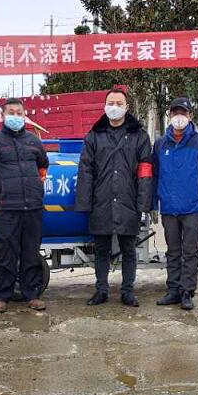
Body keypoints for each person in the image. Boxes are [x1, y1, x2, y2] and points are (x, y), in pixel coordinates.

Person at [76, 87, 153, 307]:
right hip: (101, 201)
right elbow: (85, 170)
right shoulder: (94, 135)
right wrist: (85, 203)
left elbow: (145, 171)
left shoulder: (139, 136)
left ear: (127, 107)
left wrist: (143, 204)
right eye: (111, 103)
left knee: (129, 249)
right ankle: (101, 290)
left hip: (128, 201)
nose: (115, 107)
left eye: (119, 103)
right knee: (101, 249)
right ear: (104, 106)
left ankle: (127, 291)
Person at [0, 98, 50, 313]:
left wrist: (36, 188)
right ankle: (0, 296)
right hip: (7, 208)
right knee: (5, 253)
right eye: (11, 112)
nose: (15, 116)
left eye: (19, 113)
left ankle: (32, 295)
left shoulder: (33, 141)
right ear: (3, 116)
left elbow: (43, 165)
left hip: (33, 206)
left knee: (31, 253)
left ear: (25, 116)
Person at [152, 97, 198, 311]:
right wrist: (153, 204)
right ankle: (173, 290)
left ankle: (187, 292)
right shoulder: (160, 144)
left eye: (183, 113)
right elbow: (154, 176)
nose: (179, 117)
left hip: (193, 208)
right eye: (175, 113)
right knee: (173, 252)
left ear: (190, 116)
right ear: (170, 115)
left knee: (190, 252)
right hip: (169, 208)